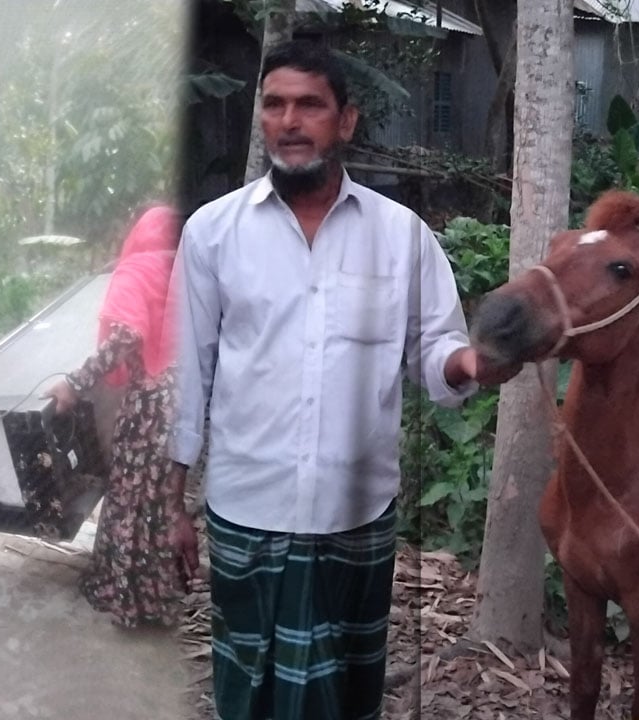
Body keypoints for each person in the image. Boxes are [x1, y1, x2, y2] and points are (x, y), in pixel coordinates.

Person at [167, 39, 516, 720]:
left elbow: (437, 350)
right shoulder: (213, 233)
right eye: (274, 105)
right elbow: (188, 370)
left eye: (310, 105)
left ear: (346, 120)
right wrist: (171, 503)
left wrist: (474, 363)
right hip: (248, 511)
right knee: (247, 689)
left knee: (347, 694)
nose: (290, 121)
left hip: (354, 517)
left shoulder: (402, 236)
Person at [44, 204, 188, 628]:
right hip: (183, 396)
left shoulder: (136, 271)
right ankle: (159, 597)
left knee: (130, 495)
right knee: (161, 498)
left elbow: (126, 334)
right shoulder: (180, 269)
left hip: (149, 403)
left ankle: (125, 595)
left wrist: (75, 383)